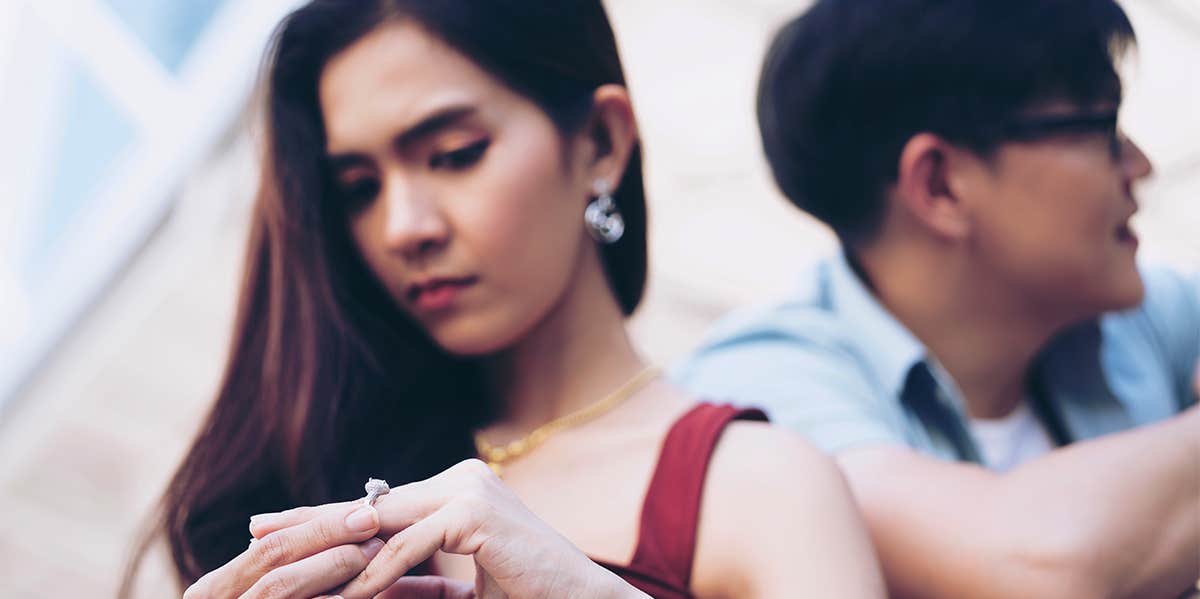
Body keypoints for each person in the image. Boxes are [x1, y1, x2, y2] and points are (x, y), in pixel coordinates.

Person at [122, 2, 884, 598]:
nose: (402, 227)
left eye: (454, 155)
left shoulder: (763, 488)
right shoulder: (320, 461)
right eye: (359, 189)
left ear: (602, 144)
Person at [674, 1, 1200, 597]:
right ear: (940, 184)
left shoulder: (1133, 320)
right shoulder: (762, 394)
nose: (1142, 165)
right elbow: (1039, 566)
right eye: (1103, 128)